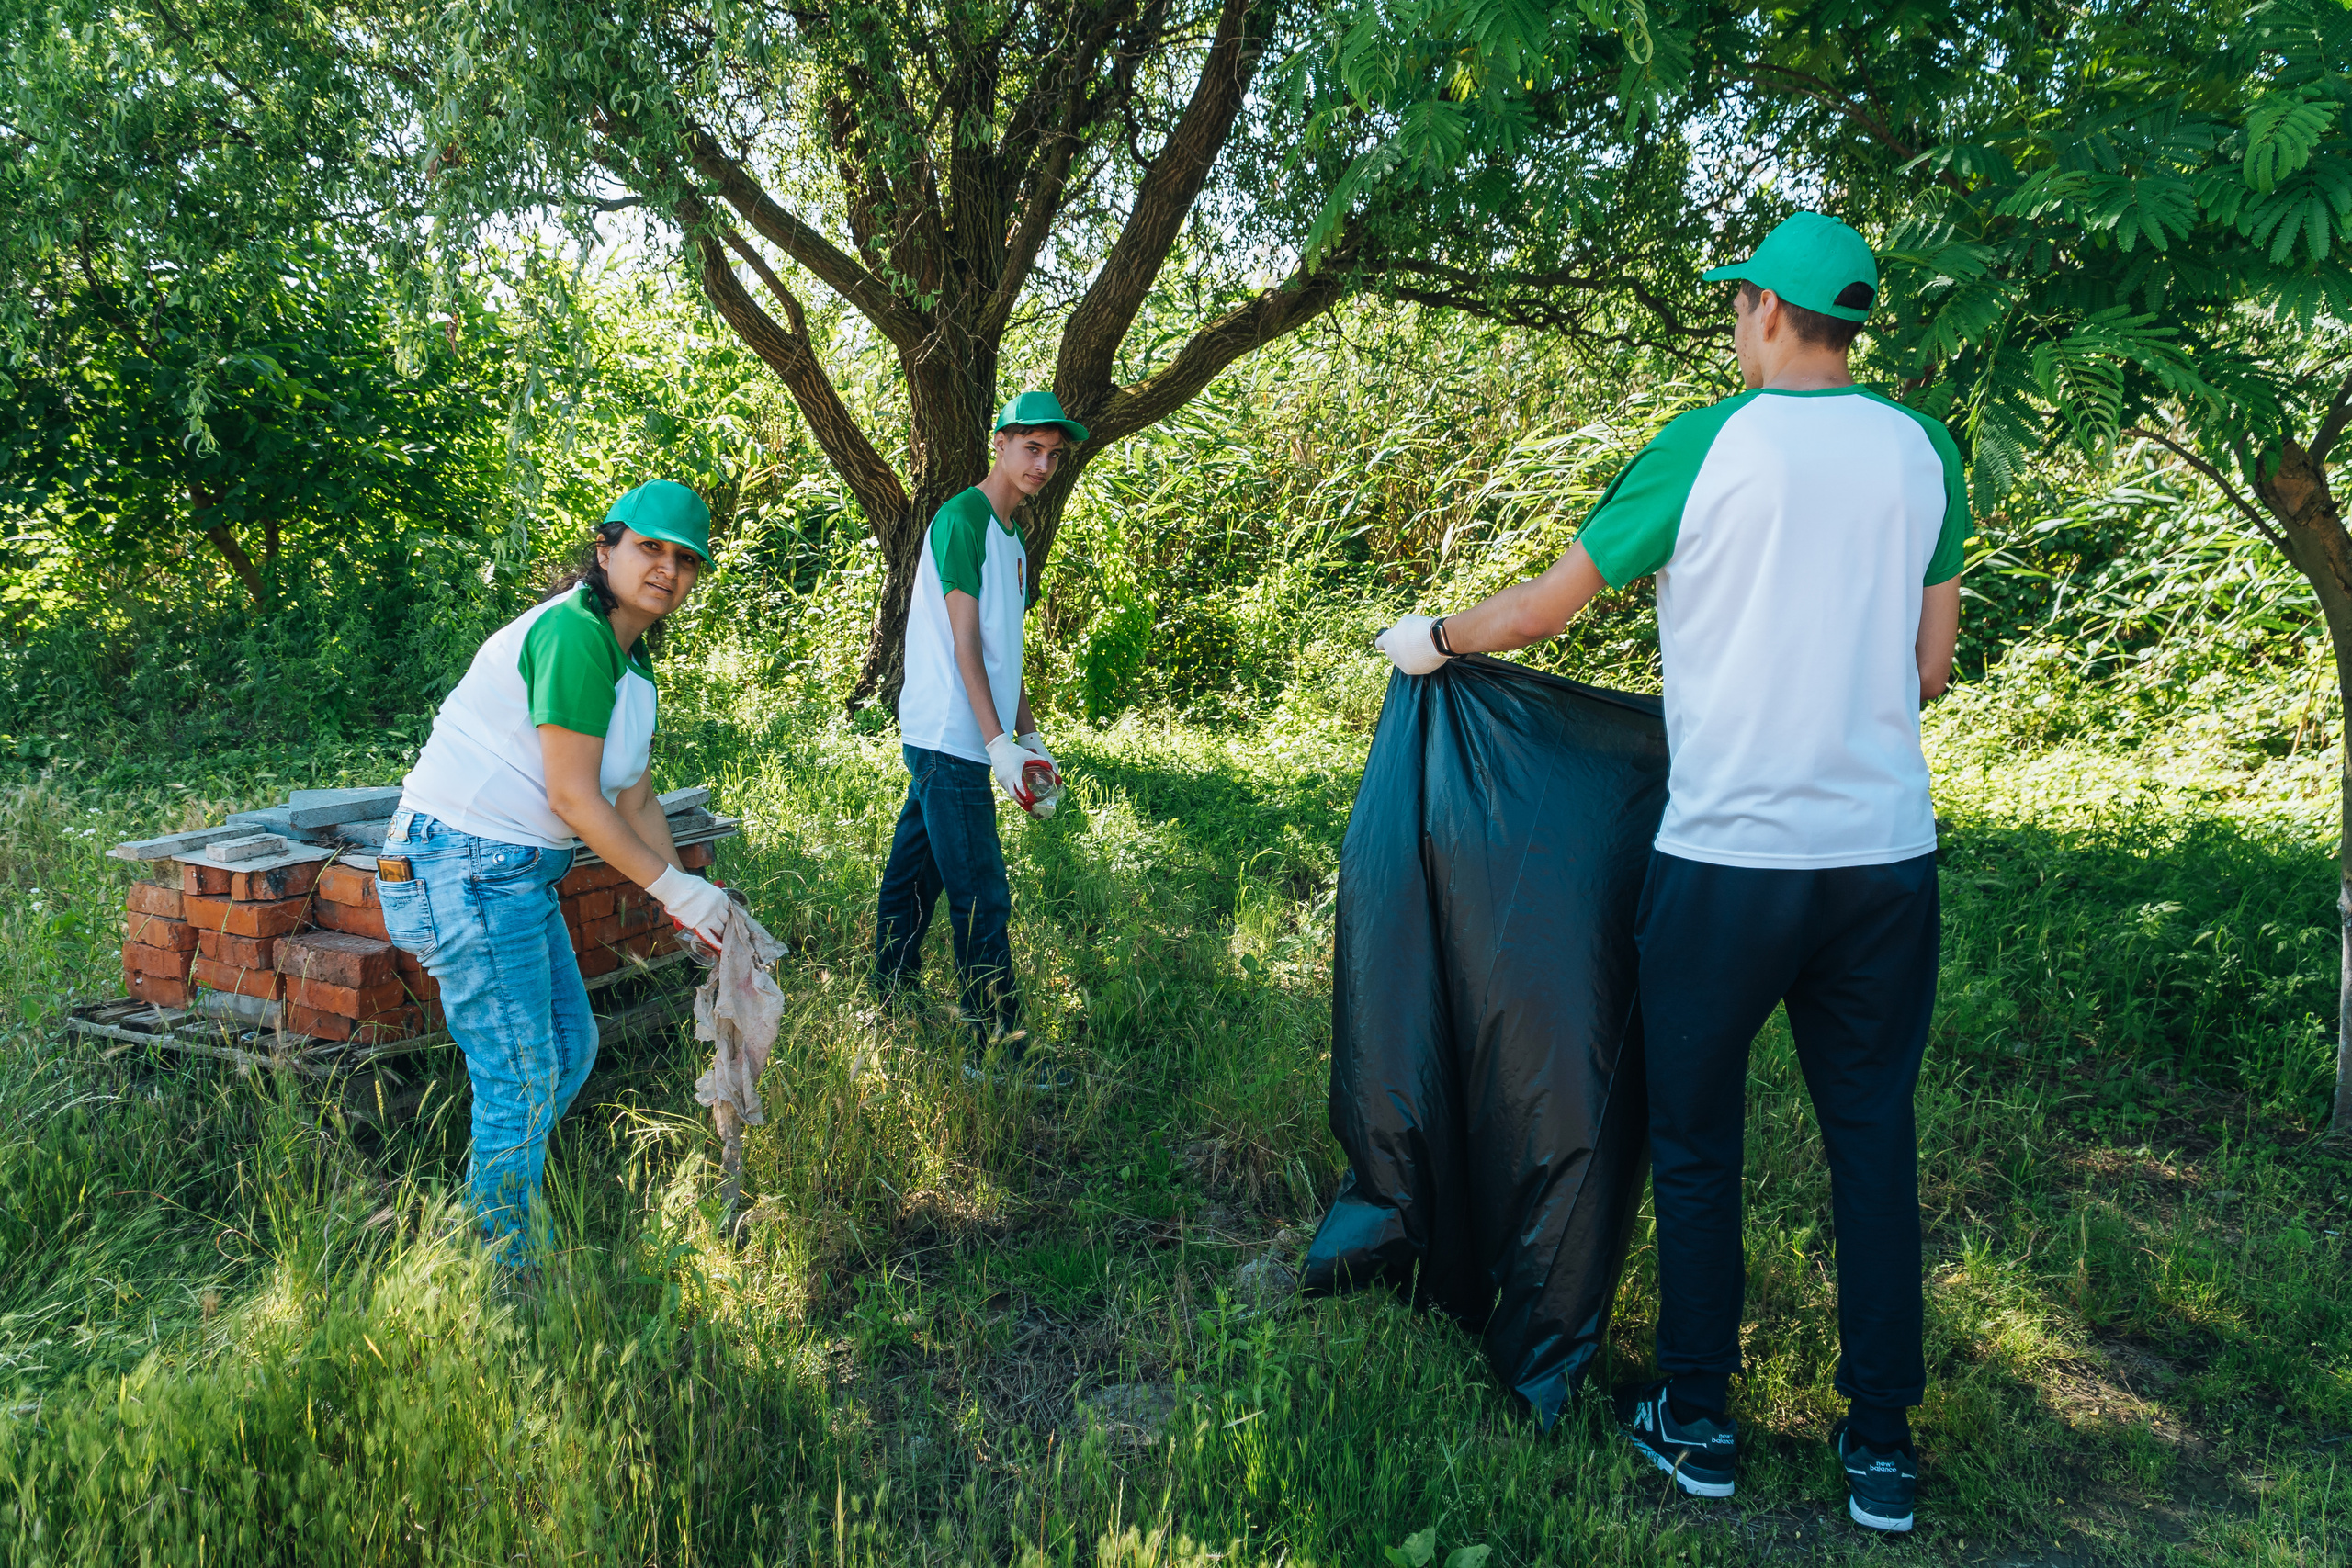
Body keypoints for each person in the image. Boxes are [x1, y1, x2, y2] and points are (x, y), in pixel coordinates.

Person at [1375, 212, 1963, 1534]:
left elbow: (1542, 608)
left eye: (1735, 303)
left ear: (1764, 310)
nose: (1732, 324)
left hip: (1728, 864)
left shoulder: (1710, 443)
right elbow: (1927, 671)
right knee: (1872, 1141)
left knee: (1698, 1147)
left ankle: (1696, 1420)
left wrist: (1433, 637)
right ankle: (1880, 1453)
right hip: (1880, 862)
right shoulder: (1925, 452)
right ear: (1849, 325)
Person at [378, 480, 733, 1265]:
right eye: (648, 548)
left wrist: (689, 903)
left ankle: (481, 1213)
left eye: (684, 558)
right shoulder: (572, 633)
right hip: (459, 862)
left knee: (567, 1051)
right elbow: (575, 797)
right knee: (523, 1076)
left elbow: (634, 798)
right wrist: (675, 887)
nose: (666, 569)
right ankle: (504, 1275)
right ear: (605, 550)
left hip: (511, 874)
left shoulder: (631, 669)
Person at [871, 390, 1079, 1087]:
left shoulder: (1013, 539)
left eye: (1053, 454)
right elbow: (962, 646)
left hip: (973, 734)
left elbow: (1001, 653)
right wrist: (996, 745)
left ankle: (890, 999)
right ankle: (997, 1047)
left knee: (913, 875)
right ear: (1000, 442)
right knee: (983, 891)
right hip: (949, 735)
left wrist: (1031, 735)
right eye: (1031, 448)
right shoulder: (962, 519)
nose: (1043, 464)